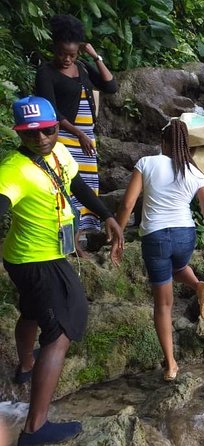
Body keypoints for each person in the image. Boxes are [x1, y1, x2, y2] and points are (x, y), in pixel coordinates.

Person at [0, 96, 123, 445]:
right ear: (18, 133)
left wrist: (108, 216)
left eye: (48, 130)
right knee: (60, 331)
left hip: (37, 256)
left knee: (32, 310)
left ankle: (26, 367)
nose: (41, 139)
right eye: (31, 133)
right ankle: (35, 429)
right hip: (38, 262)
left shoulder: (60, 153)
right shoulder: (12, 170)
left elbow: (77, 186)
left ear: (57, 127)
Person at [112, 118, 204, 382]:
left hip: (156, 237)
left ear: (163, 143)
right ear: (187, 145)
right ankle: (199, 287)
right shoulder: (195, 173)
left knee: (163, 305)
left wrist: (117, 236)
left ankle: (171, 364)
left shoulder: (147, 163)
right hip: (185, 236)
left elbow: (127, 204)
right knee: (179, 266)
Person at [35, 14, 118, 256]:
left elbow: (110, 86)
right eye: (62, 53)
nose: (67, 59)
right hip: (62, 139)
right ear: (54, 48)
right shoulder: (46, 73)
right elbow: (51, 111)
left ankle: (78, 240)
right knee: (66, 187)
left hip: (85, 138)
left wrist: (95, 56)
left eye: (72, 54)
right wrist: (77, 134)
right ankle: (67, 241)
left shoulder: (81, 67)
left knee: (86, 188)